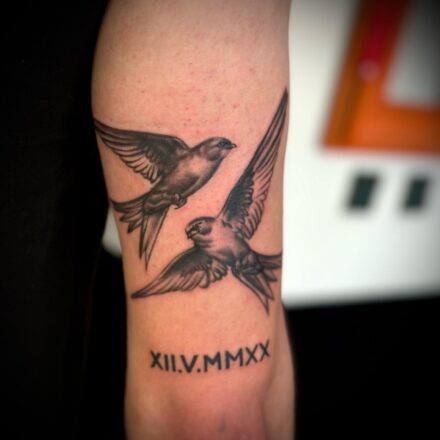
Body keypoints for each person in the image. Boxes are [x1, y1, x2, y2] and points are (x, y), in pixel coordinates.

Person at [2, 1, 293, 438]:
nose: (222, 152)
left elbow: (211, 406)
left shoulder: (227, 209)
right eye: (218, 148)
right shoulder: (178, 156)